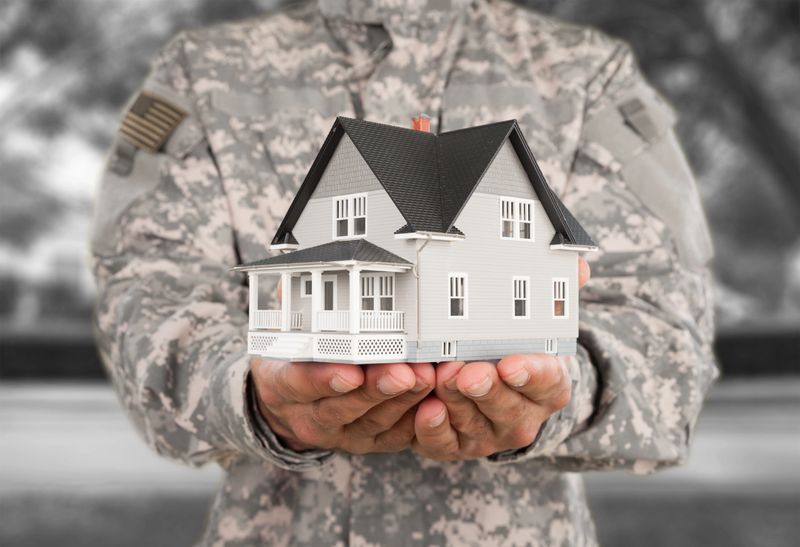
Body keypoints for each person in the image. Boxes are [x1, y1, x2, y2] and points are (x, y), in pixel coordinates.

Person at [91, 0, 718, 544]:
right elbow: (146, 295)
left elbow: (668, 336)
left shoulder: (586, 74)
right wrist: (254, 393)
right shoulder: (203, 73)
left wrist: (562, 387)